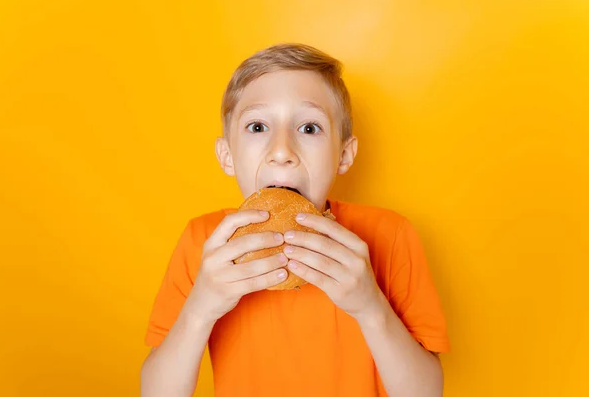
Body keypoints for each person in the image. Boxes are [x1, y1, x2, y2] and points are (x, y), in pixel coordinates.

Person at [140, 43, 450, 397]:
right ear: (227, 156)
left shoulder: (390, 235)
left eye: (309, 129)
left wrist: (369, 306)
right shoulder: (204, 244)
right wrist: (199, 310)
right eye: (257, 126)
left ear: (344, 154)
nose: (282, 151)